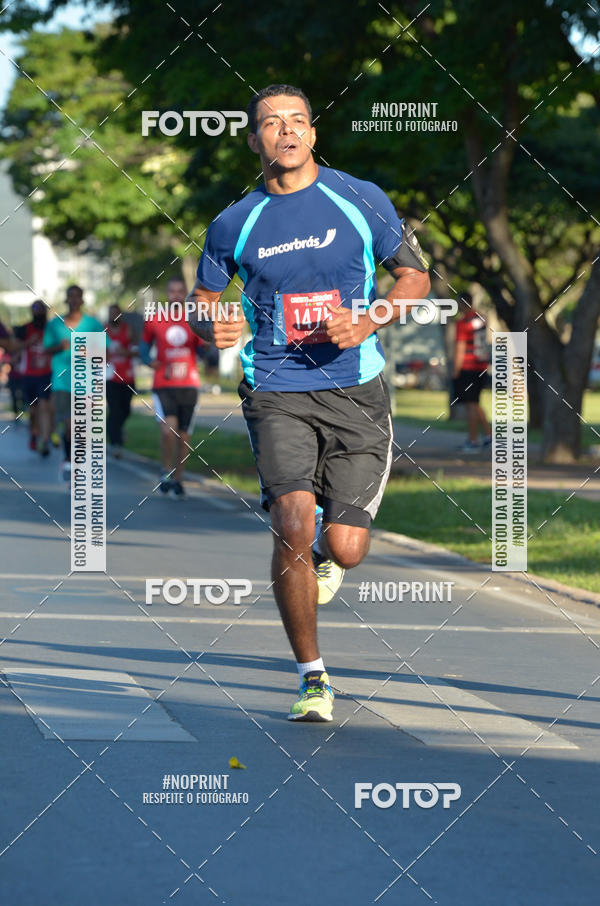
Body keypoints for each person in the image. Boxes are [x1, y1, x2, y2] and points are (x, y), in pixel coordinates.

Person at [187, 84, 430, 722]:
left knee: (346, 546)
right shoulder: (234, 222)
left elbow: (415, 276)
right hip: (275, 388)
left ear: (314, 134)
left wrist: (372, 317)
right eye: (272, 123)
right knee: (292, 520)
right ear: (254, 140)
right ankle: (312, 677)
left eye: (298, 120)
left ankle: (327, 556)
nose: (286, 131)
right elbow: (204, 295)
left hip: (356, 388)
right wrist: (210, 323)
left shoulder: (360, 199)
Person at [140, 277, 202, 498]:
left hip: (189, 384)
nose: (176, 295)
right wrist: (148, 360)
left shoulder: (194, 320)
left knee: (184, 436)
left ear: (185, 293)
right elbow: (143, 347)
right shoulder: (155, 319)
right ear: (167, 294)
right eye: (172, 291)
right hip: (163, 384)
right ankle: (165, 470)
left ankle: (178, 477)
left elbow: (205, 349)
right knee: (168, 431)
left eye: (180, 291)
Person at [43, 285, 105, 484]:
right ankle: (69, 461)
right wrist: (59, 347)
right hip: (62, 382)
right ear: (66, 300)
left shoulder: (93, 324)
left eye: (78, 296)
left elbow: (105, 349)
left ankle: (78, 463)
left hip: (86, 382)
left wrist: (92, 352)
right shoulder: (55, 324)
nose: (74, 300)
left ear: (83, 300)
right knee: (70, 424)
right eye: (70, 296)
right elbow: (45, 349)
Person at [452, 293, 491, 453]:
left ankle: (473, 440)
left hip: (468, 368)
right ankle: (489, 436)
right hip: (481, 367)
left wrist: (456, 370)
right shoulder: (481, 319)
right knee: (476, 403)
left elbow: (460, 348)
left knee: (471, 405)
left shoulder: (463, 323)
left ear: (462, 304)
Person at [14, 300, 53, 456]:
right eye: (35, 309)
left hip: (46, 374)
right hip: (28, 375)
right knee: (33, 409)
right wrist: (28, 342)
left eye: (41, 309)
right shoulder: (25, 329)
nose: (38, 312)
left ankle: (44, 441)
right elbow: (15, 348)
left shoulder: (51, 329)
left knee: (44, 406)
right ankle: (34, 433)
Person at [106, 304, 136, 457]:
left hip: (127, 377)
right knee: (115, 409)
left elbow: (136, 350)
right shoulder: (103, 330)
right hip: (110, 377)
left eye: (116, 313)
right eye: (111, 313)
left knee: (126, 410)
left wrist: (125, 352)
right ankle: (115, 442)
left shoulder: (128, 330)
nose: (113, 316)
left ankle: (114, 428)